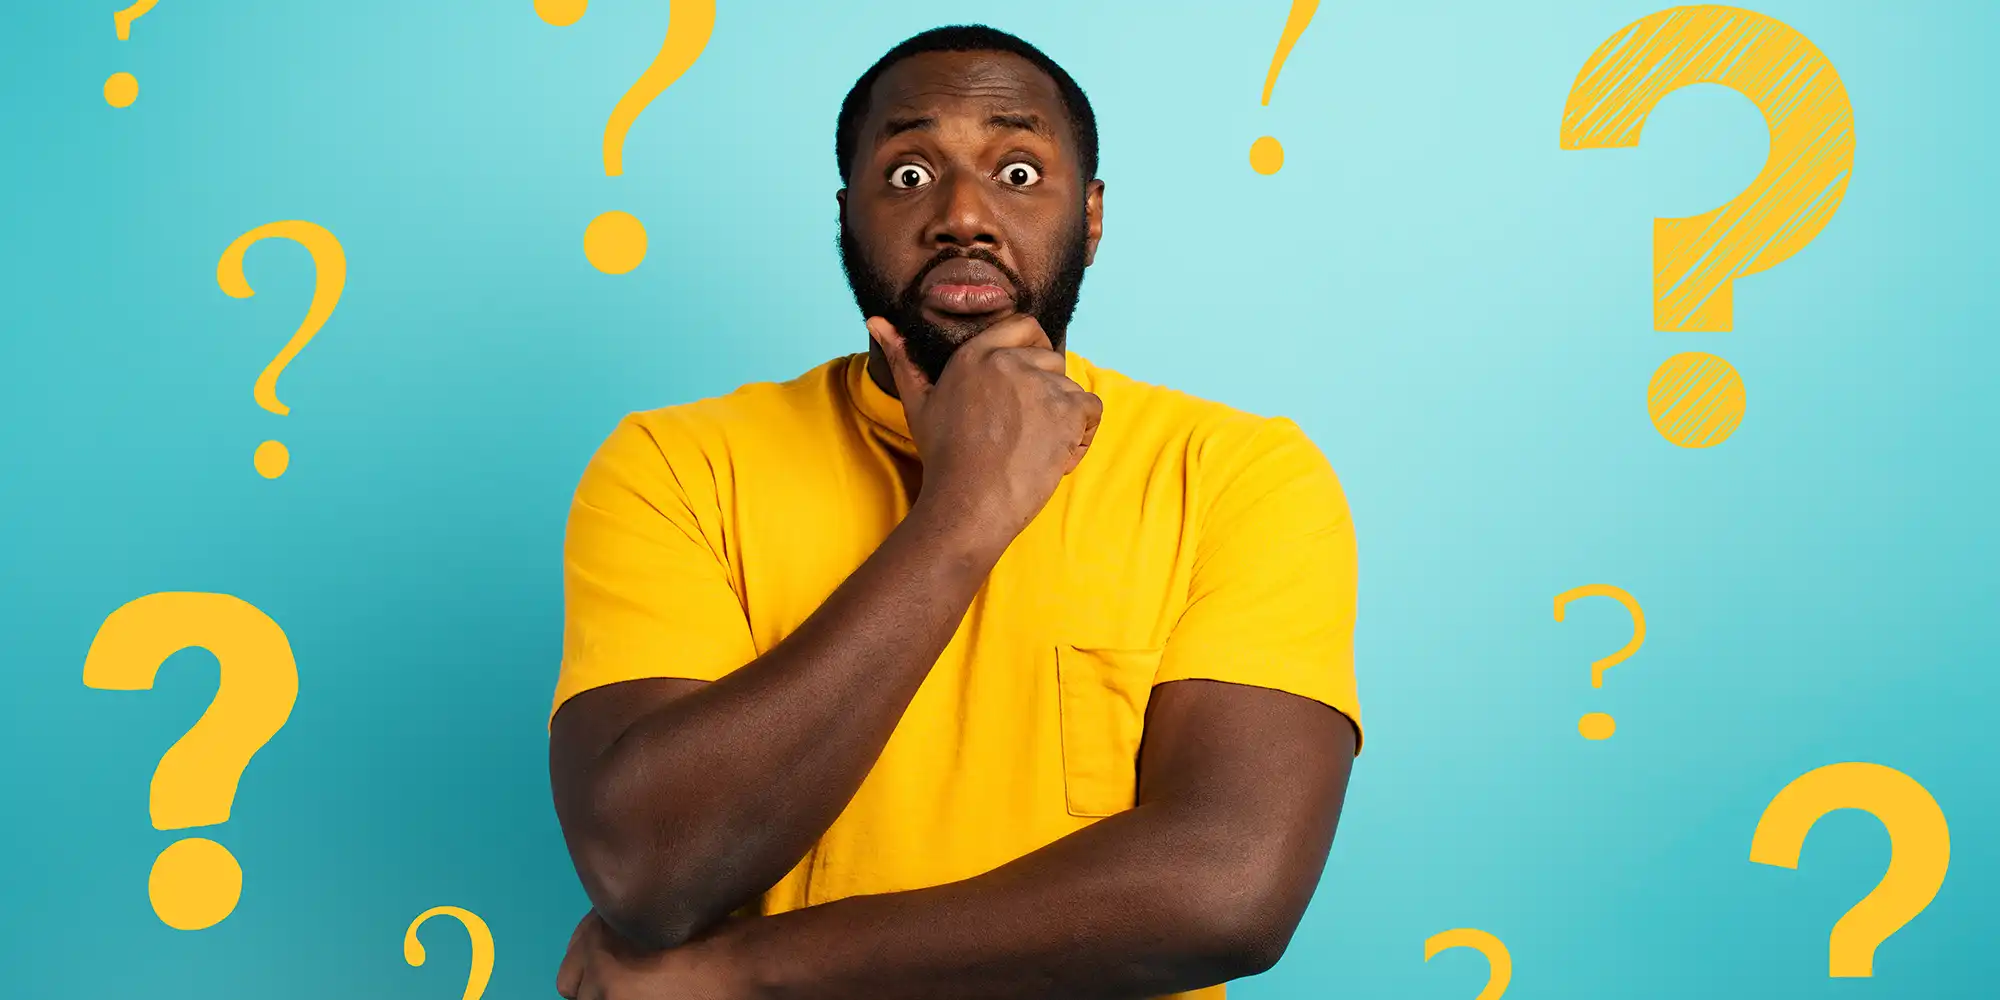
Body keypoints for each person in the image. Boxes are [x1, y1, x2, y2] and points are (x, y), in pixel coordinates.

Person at [548, 24, 1362, 1000]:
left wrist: (745, 970)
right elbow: (649, 868)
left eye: (1017, 171)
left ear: (1091, 216)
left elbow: (1226, 889)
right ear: (845, 215)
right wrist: (964, 511)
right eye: (906, 176)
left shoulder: (1235, 472)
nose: (963, 216)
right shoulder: (675, 466)